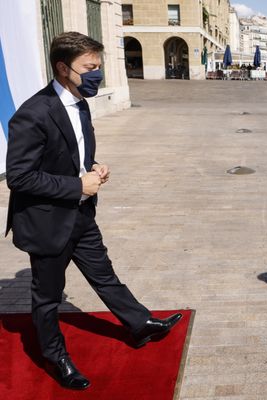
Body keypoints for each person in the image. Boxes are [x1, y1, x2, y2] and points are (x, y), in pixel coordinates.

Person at [4, 32, 182, 390]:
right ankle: (56, 357)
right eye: (89, 68)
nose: (96, 74)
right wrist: (76, 186)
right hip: (47, 223)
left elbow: (74, 155)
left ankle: (139, 324)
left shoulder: (81, 102)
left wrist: (95, 167)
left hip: (81, 214)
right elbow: (19, 177)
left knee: (104, 275)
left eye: (98, 67)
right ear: (62, 67)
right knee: (48, 297)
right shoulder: (32, 114)